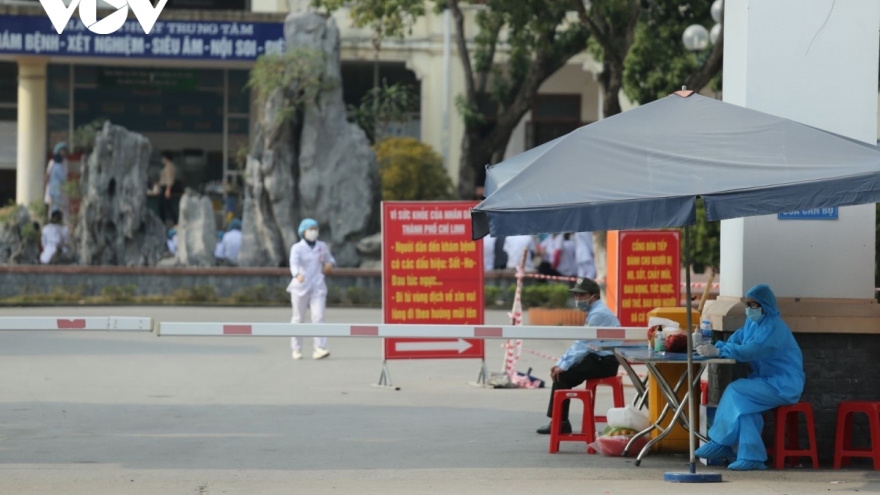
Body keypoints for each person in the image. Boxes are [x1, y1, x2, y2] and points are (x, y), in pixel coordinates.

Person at [694, 284, 804, 471]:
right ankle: (751, 457)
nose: (749, 309)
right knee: (744, 408)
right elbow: (737, 339)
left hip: (784, 384)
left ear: (766, 306)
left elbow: (752, 350)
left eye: (754, 305)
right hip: (767, 382)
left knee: (735, 390)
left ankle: (721, 441)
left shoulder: (774, 327)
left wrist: (720, 352)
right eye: (747, 304)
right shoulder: (752, 324)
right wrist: (716, 347)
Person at [537, 277, 621, 434]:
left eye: (582, 295)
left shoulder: (598, 314)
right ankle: (559, 421)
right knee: (561, 372)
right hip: (598, 357)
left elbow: (583, 344)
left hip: (605, 362)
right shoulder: (595, 311)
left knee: (561, 376)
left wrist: (563, 366)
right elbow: (581, 342)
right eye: (576, 295)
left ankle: (560, 423)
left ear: (594, 296)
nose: (578, 299)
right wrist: (561, 363)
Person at [288, 218, 336, 360]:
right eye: (311, 229)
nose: (313, 232)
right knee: (298, 318)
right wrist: (297, 274)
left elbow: (330, 259)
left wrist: (329, 265)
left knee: (318, 316)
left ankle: (320, 348)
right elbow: (293, 263)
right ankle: (296, 349)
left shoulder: (322, 246)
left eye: (315, 229)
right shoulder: (297, 248)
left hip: (317, 286)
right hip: (300, 286)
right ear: (303, 232)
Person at [44, 142, 68, 218]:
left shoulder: (64, 162)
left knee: (61, 208)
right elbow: (48, 175)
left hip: (60, 190)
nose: (63, 153)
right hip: (56, 190)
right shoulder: (54, 163)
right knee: (55, 208)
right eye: (62, 151)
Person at [157, 151, 177, 227]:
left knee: (167, 207)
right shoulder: (168, 166)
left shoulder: (169, 166)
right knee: (164, 207)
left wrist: (168, 189)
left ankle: (174, 222)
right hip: (165, 187)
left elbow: (169, 179)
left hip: (166, 188)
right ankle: (165, 222)